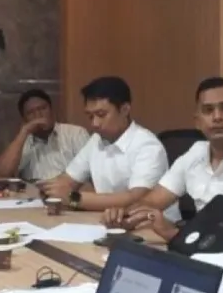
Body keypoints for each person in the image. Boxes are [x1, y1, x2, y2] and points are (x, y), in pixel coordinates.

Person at [104, 77, 223, 241]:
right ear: (197, 122)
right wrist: (125, 217)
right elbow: (153, 201)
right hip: (201, 249)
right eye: (208, 110)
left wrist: (175, 234)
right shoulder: (195, 153)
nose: (217, 117)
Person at [36, 77, 170, 215]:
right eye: (90, 116)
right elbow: (69, 180)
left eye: (101, 115)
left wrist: (73, 198)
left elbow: (135, 199)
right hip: (110, 220)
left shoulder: (148, 146)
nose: (94, 123)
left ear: (124, 110)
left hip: (152, 224)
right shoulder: (96, 140)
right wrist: (51, 189)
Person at [0, 89, 89, 181]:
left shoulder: (76, 133)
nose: (38, 115)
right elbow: (3, 172)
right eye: (31, 112)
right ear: (24, 119)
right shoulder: (22, 142)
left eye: (43, 108)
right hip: (33, 190)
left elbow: (91, 172)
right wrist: (24, 132)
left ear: (52, 110)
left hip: (68, 189)